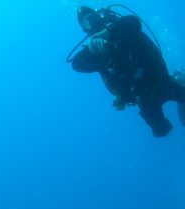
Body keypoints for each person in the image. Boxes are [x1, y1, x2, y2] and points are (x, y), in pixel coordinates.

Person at [70, 6, 185, 137]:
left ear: (99, 16)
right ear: (85, 29)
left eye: (93, 18)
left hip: (162, 82)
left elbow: (134, 22)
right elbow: (76, 64)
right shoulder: (96, 53)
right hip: (144, 100)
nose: (93, 23)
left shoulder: (121, 28)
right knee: (161, 131)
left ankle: (178, 78)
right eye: (87, 22)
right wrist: (91, 49)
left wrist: (109, 32)